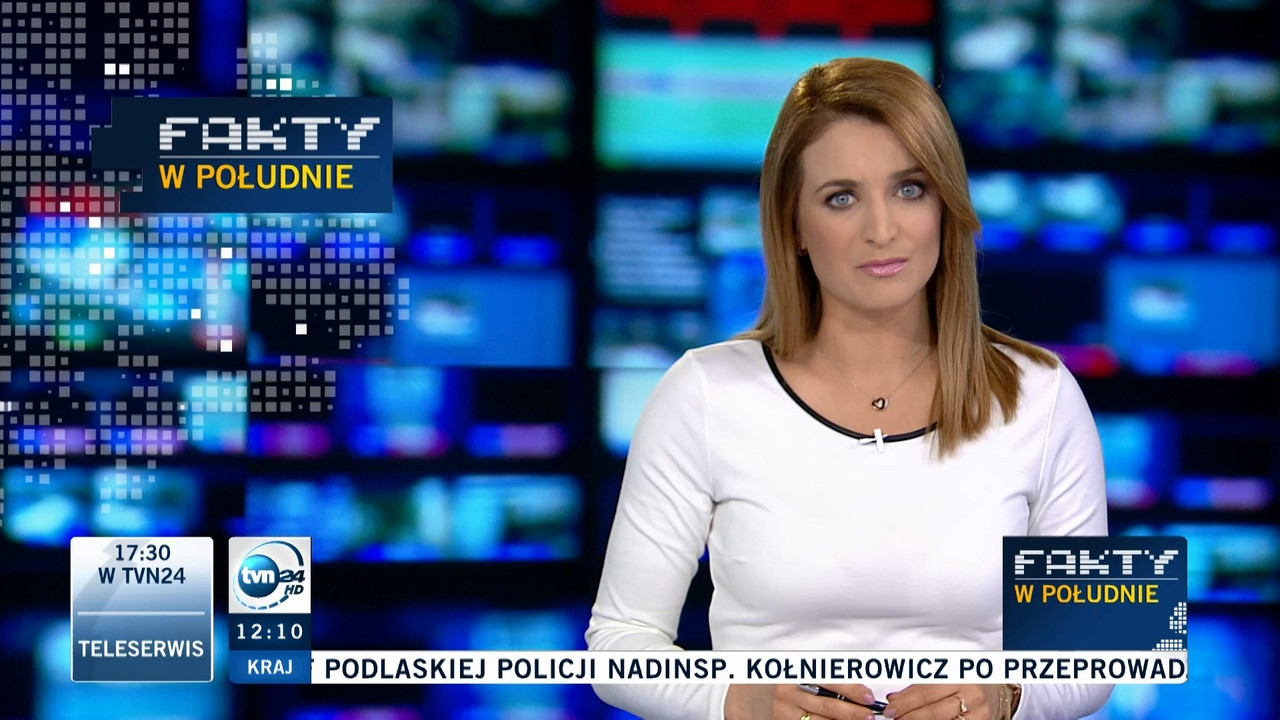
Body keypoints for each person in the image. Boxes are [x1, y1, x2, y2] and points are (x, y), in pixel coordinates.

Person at [585, 57, 1112, 720]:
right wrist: (738, 701)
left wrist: (1004, 696)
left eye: (910, 189)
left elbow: (1097, 659)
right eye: (842, 197)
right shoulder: (703, 393)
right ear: (794, 225)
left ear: (947, 205)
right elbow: (617, 646)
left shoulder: (1043, 396)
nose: (882, 230)